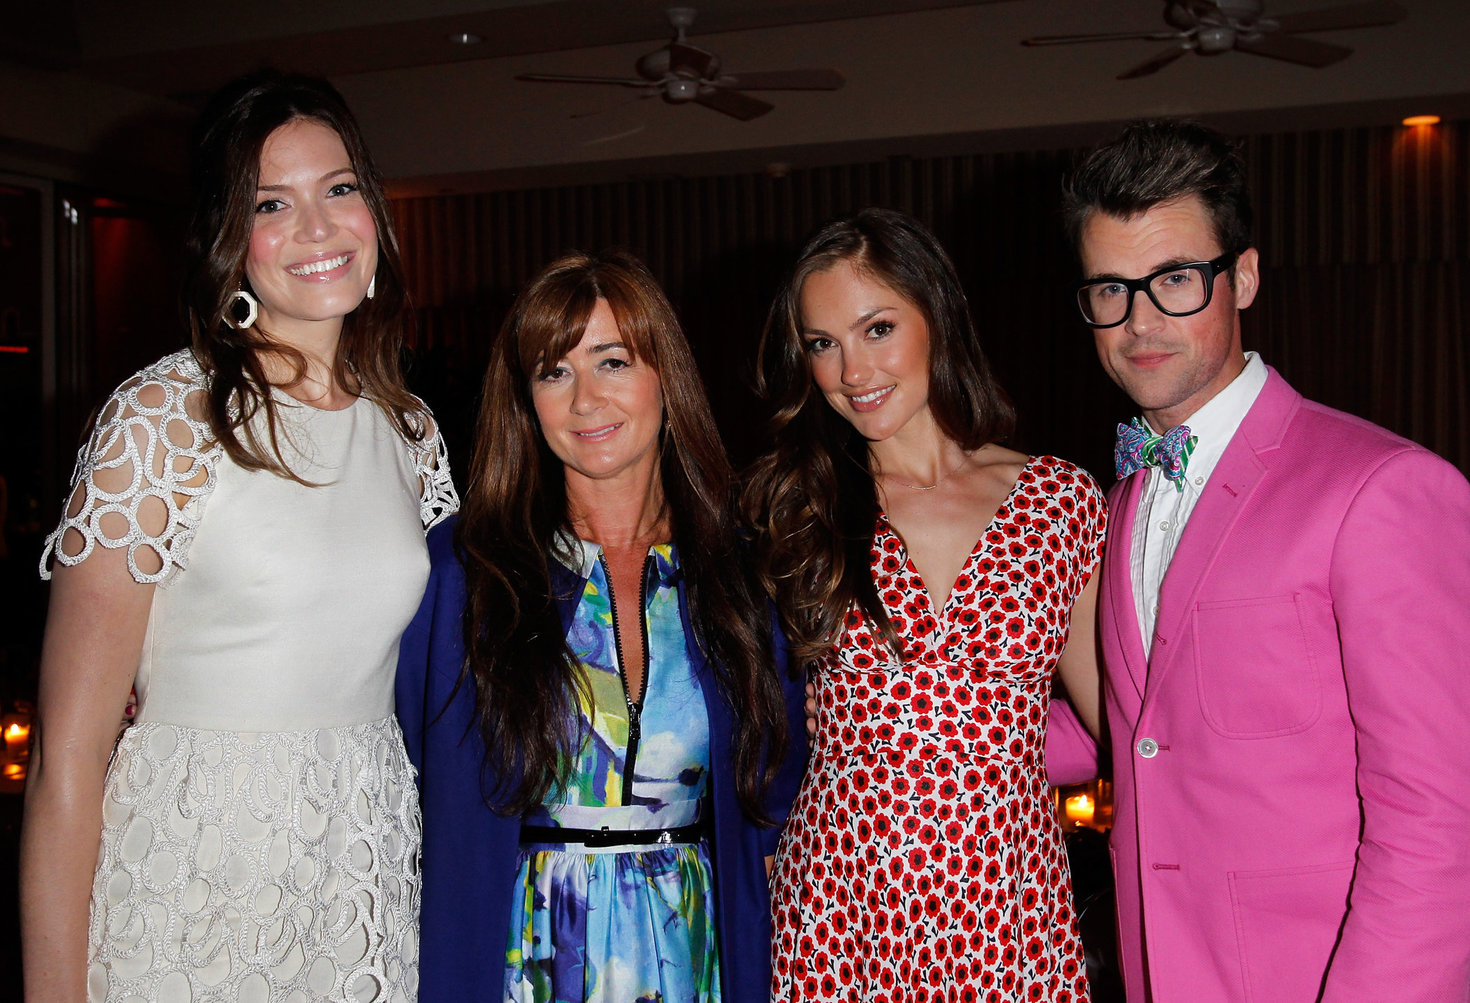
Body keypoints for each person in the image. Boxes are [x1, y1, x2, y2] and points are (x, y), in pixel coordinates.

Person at [21, 72, 458, 1002]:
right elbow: (66, 760)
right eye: (272, 203)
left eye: (339, 188)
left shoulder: (412, 432)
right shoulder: (160, 421)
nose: (317, 226)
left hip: (360, 880)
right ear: (229, 242)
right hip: (189, 887)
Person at [1060, 119, 1470, 1001]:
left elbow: (1441, 824)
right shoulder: (1123, 499)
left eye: (1174, 279)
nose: (1138, 322)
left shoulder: (1383, 489)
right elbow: (1142, 734)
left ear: (1242, 276)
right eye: (1109, 289)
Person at [396, 249, 805, 1002]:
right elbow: (410, 781)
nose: (585, 399)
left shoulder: (740, 575)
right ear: (526, 400)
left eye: (611, 361)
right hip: (522, 961)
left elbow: (777, 800)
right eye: (553, 372)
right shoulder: (465, 572)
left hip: (695, 954)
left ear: (665, 380)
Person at [745, 208, 1104, 1001]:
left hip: (1009, 913)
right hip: (837, 919)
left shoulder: (1059, 500)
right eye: (822, 343)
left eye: (877, 329)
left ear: (936, 315)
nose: (851, 370)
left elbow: (1123, 722)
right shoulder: (789, 508)